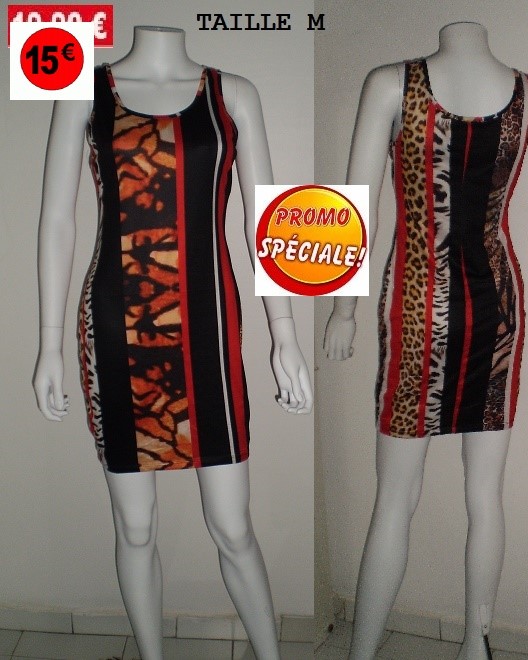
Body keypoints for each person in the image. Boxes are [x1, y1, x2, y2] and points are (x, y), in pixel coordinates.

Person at [33, 25, 312, 660]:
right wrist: (49, 345)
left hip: (210, 330)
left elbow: (265, 218)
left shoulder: (233, 94)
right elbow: (56, 220)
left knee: (234, 527)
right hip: (116, 328)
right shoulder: (80, 92)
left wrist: (284, 332)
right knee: (135, 527)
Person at [324, 21, 528, 660]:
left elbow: (354, 207)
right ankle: (472, 646)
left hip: (417, 306)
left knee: (393, 500)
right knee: (484, 496)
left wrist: (344, 310)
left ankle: (363, 653)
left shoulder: (389, 84)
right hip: (497, 311)